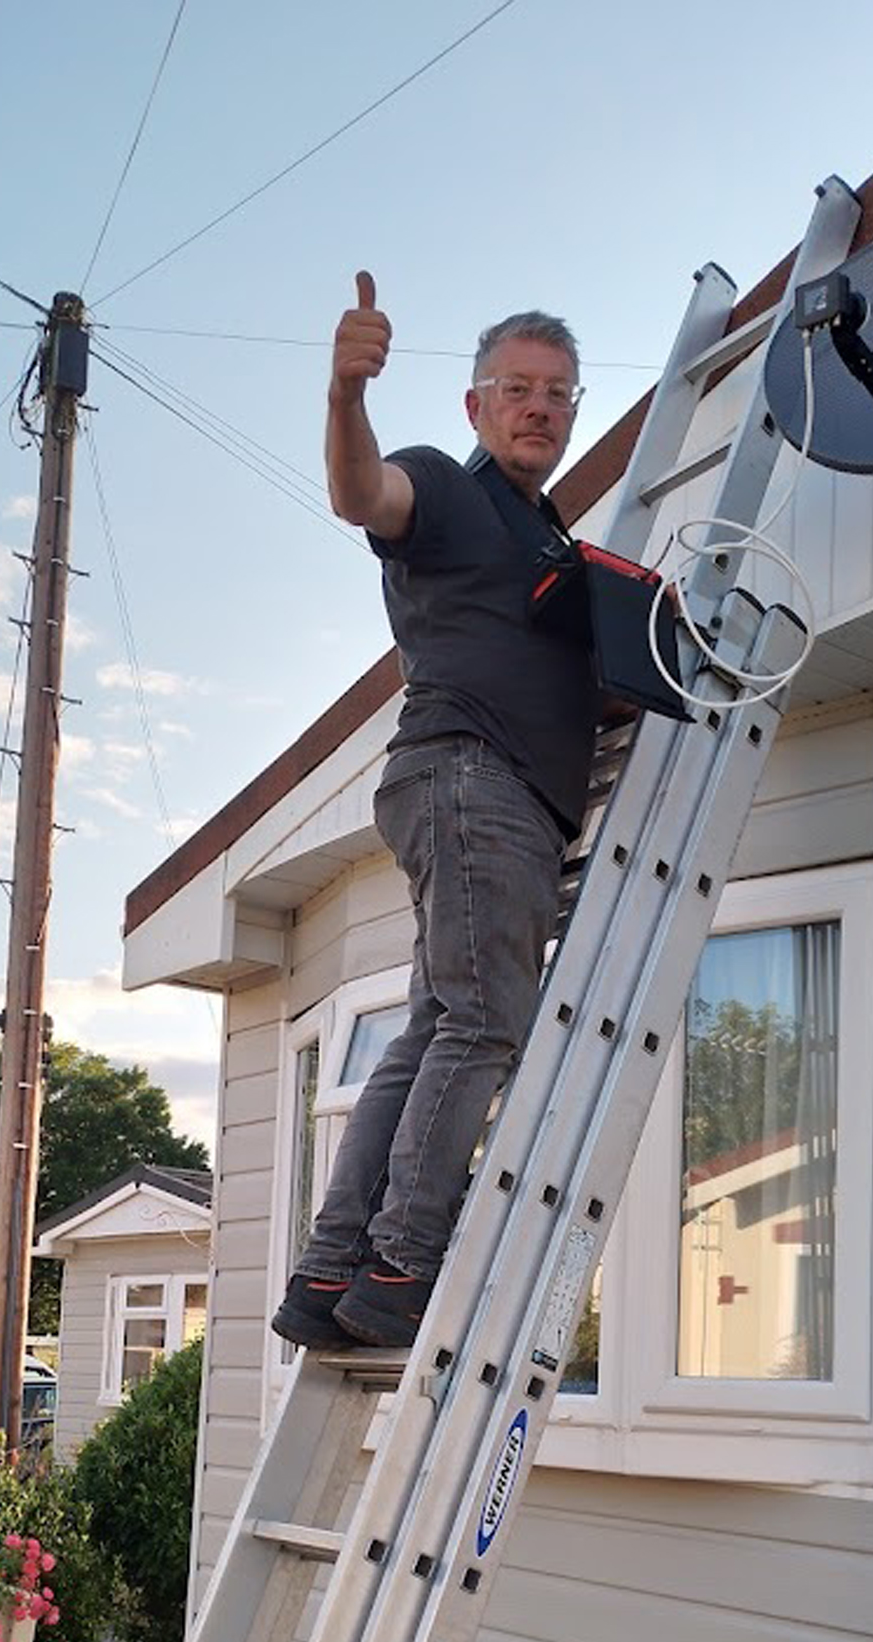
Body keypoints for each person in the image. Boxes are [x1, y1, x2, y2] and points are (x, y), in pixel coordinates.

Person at [271, 273, 600, 1352]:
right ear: (474, 406)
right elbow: (364, 495)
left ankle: (330, 1277)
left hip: (475, 795)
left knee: (434, 1029)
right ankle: (406, 1261)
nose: (539, 407)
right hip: (474, 781)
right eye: (517, 387)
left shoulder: (550, 541)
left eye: (559, 392)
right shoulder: (447, 491)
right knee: (483, 1025)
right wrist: (341, 394)